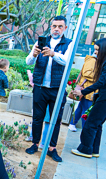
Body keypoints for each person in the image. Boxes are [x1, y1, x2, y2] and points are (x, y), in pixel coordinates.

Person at [25, 15, 73, 162]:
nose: (56, 29)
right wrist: (34, 54)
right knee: (37, 118)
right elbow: (28, 61)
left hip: (57, 88)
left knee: (56, 119)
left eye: (60, 26)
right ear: (50, 27)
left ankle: (52, 148)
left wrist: (53, 54)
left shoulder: (69, 44)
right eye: (54, 26)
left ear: (65, 28)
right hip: (40, 87)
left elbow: (67, 61)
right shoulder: (41, 41)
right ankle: (35, 143)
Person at [71, 38, 106, 158]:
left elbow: (101, 82)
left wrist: (82, 92)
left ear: (104, 49)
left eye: (97, 50)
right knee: (97, 123)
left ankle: (85, 150)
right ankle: (94, 150)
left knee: (91, 122)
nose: (95, 52)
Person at [68, 54, 98, 131]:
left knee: (81, 108)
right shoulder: (93, 60)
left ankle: (72, 123)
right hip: (88, 90)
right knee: (86, 111)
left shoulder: (93, 60)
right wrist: (99, 76)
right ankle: (84, 129)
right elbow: (87, 74)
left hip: (87, 89)